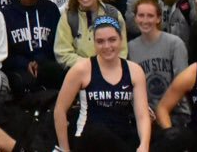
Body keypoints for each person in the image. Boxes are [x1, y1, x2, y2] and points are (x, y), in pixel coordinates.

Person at [54, 16, 151, 152]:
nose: (107, 46)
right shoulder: (81, 69)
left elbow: (142, 115)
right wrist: (65, 149)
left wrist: (144, 145)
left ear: (121, 40)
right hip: (89, 139)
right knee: (98, 132)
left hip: (122, 138)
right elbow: (59, 110)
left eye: (112, 40)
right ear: (93, 43)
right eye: (100, 41)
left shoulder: (134, 71)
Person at [1, 0, 63, 98]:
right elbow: (4, 51)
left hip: (46, 65)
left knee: (55, 73)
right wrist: (25, 63)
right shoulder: (7, 12)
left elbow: (58, 44)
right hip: (18, 69)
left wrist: (40, 62)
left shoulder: (51, 10)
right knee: (23, 82)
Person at [127, 0, 188, 123]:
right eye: (141, 15)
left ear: (158, 18)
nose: (145, 20)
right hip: (145, 114)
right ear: (135, 18)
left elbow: (182, 83)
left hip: (175, 113)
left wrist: (164, 111)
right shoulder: (130, 48)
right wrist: (142, 109)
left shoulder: (175, 43)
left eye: (150, 16)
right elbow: (131, 86)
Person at [54, 0, 128, 69]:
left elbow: (122, 50)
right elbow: (62, 53)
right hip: (79, 73)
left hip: (111, 71)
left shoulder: (113, 14)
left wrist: (107, 67)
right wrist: (91, 66)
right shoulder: (68, 17)